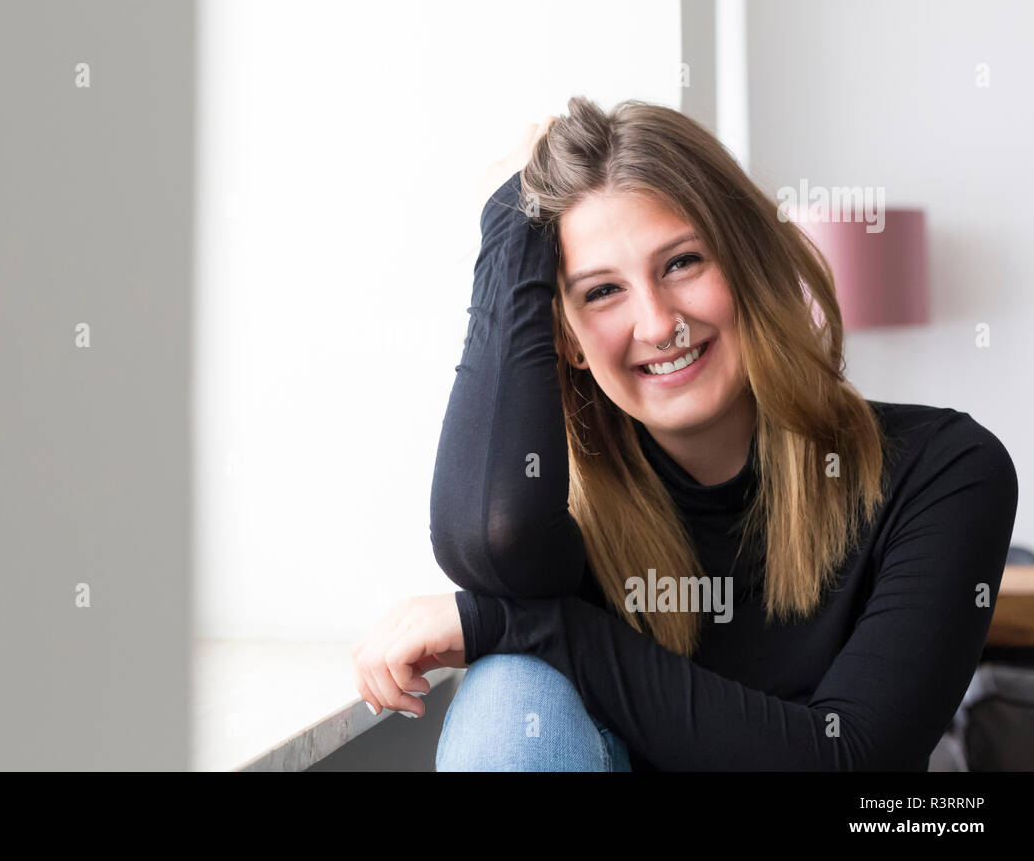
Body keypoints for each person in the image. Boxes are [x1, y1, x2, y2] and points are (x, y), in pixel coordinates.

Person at [348, 96, 1019, 771]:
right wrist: (508, 222)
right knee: (509, 695)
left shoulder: (946, 470)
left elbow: (852, 763)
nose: (657, 322)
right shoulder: (552, 526)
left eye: (682, 263)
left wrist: (519, 622)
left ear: (747, 265)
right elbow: (487, 539)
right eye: (602, 292)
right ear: (569, 342)